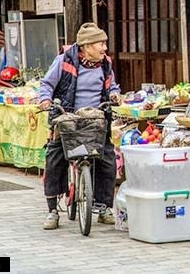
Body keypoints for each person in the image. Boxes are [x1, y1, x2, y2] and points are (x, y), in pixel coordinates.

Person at [39, 22, 122, 230]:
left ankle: (103, 207)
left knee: (108, 159)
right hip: (67, 118)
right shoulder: (64, 60)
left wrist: (114, 94)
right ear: (86, 46)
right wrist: (45, 100)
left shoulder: (105, 64)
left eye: (104, 43)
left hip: (95, 119)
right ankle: (52, 210)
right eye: (100, 44)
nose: (104, 48)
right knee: (54, 158)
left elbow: (112, 85)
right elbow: (47, 84)